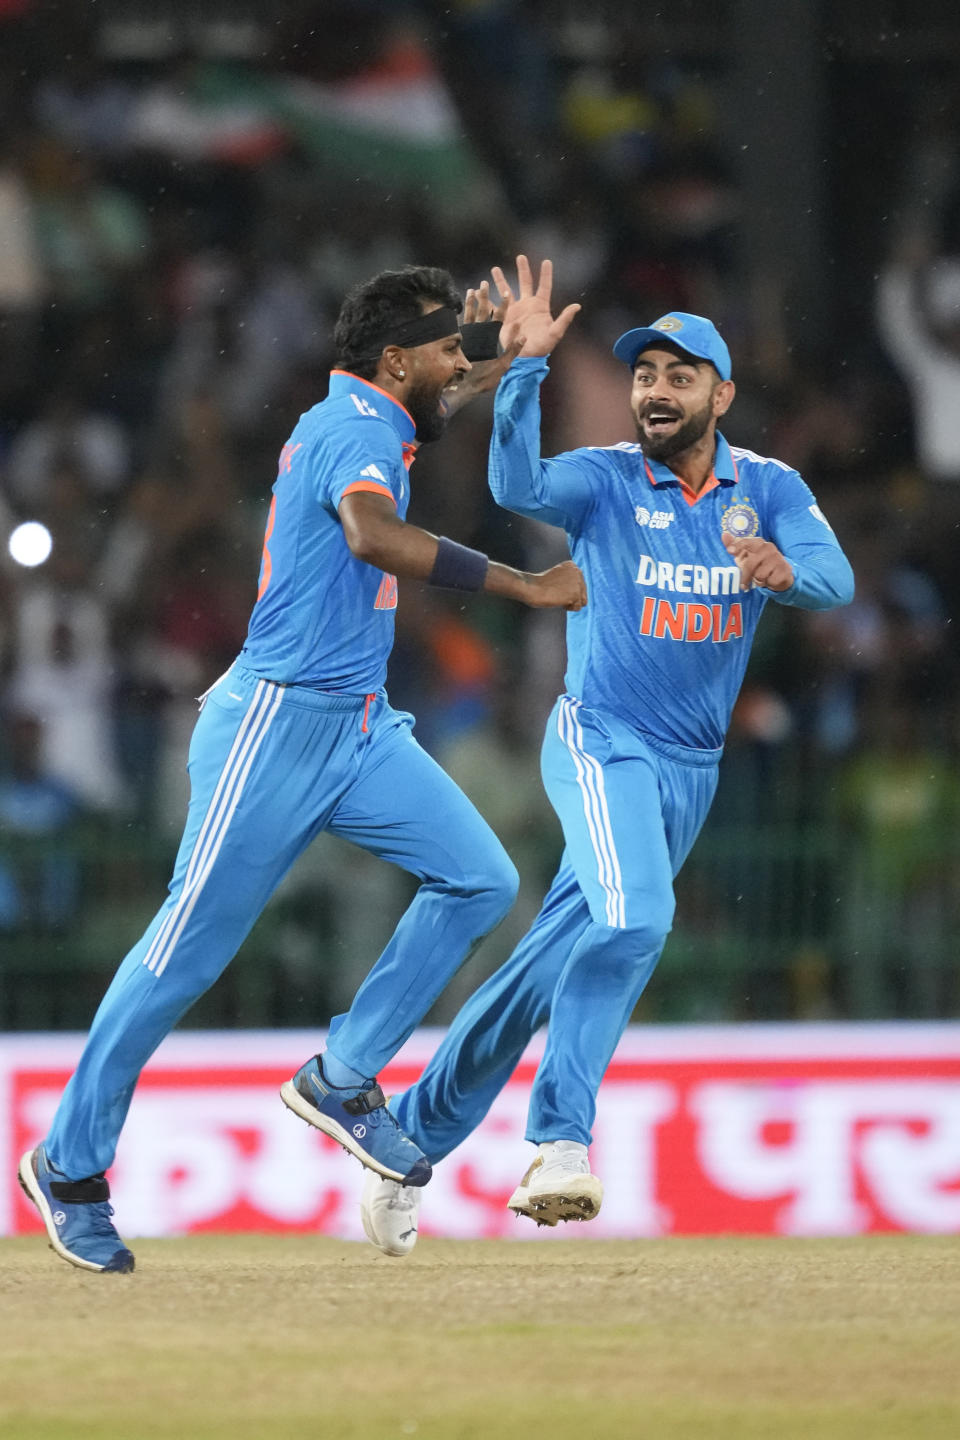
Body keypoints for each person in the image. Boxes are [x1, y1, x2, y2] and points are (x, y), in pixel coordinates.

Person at [17, 263, 587, 1274]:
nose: (461, 363)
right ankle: (66, 1165)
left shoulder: (377, 410)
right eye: (449, 347)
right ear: (395, 358)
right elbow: (372, 532)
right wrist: (524, 585)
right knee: (180, 958)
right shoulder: (354, 433)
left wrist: (510, 356)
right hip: (272, 732)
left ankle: (344, 1075)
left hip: (359, 727)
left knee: (481, 878)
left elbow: (442, 398)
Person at [359, 257, 855, 1256]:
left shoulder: (770, 488)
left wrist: (784, 571)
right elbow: (513, 483)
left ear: (721, 394)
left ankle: (407, 1139)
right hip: (601, 741)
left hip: (692, 771)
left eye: (678, 377)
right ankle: (559, 1144)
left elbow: (835, 584)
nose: (654, 393)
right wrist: (525, 369)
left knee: (541, 975)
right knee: (637, 918)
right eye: (642, 376)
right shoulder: (604, 480)